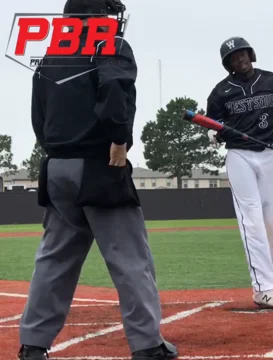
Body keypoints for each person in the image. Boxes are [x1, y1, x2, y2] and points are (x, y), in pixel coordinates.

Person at [18, 0, 177, 359]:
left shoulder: (50, 56)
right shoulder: (110, 45)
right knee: (131, 260)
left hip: (56, 167)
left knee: (53, 261)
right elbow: (115, 90)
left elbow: (37, 116)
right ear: (93, 16)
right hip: (99, 165)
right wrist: (119, 140)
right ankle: (147, 345)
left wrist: (58, 150)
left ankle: (33, 344)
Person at [205, 36, 273, 308]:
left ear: (251, 54)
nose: (241, 59)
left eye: (243, 54)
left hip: (269, 154)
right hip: (239, 157)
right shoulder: (220, 92)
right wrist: (215, 134)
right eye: (234, 58)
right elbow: (214, 125)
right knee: (252, 220)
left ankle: (272, 279)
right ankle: (263, 289)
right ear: (229, 65)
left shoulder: (272, 82)